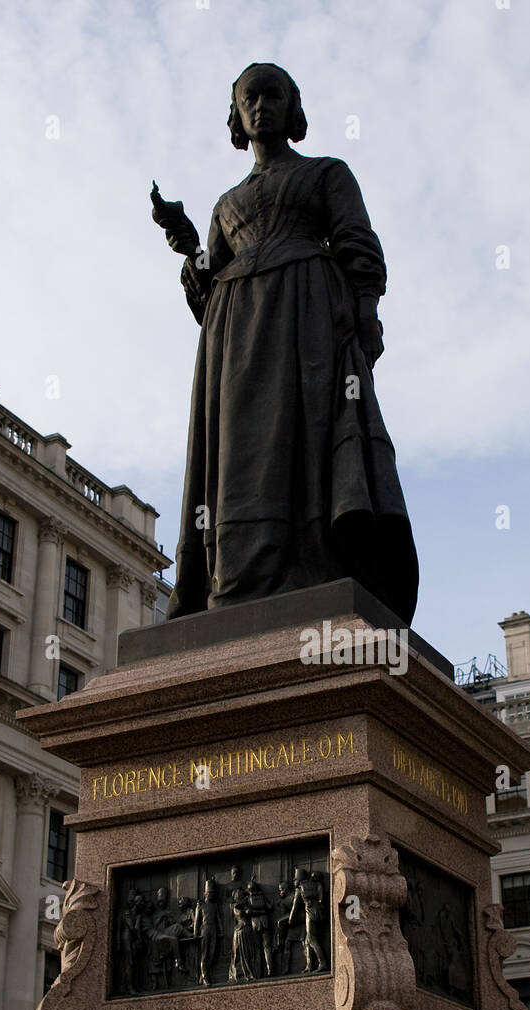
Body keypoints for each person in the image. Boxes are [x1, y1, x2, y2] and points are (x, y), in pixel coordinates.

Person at [151, 62, 418, 623]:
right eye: (249, 97)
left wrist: (366, 312)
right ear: (236, 115)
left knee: (303, 440)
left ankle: (311, 561)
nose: (260, 106)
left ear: (293, 108)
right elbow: (207, 291)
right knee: (236, 455)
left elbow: (357, 244)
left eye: (273, 95)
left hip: (308, 319)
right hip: (235, 335)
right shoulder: (226, 204)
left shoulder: (327, 173)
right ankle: (235, 571)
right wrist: (187, 245)